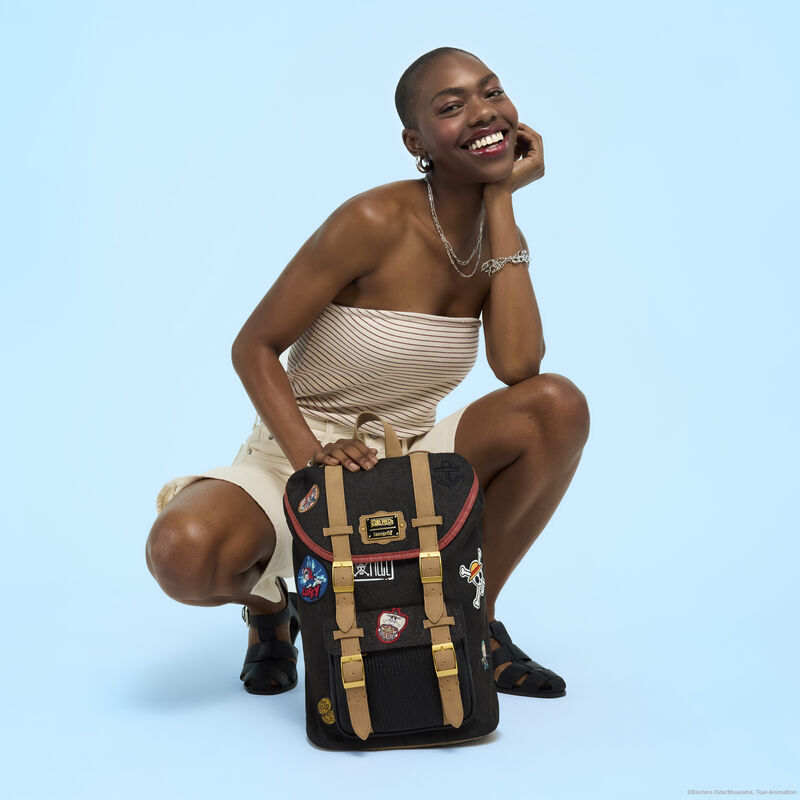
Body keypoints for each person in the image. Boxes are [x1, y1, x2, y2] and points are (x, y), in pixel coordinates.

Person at [146, 46, 590, 699]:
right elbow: (254, 346)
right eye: (452, 106)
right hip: (296, 454)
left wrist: (500, 201)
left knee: (555, 405)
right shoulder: (372, 220)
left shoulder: (497, 242)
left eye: (492, 92)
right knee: (183, 552)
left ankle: (473, 619)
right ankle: (271, 605)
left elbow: (520, 367)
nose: (482, 112)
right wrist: (311, 458)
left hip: (407, 461)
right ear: (417, 142)